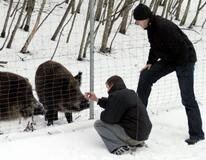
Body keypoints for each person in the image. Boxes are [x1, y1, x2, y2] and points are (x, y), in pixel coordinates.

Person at [133, 3, 204, 145]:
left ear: (145, 18)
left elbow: (182, 48)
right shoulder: (150, 27)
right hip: (171, 59)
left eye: (138, 20)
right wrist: (150, 62)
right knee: (146, 76)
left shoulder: (163, 27)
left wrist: (182, 70)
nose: (137, 23)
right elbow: (154, 46)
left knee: (187, 98)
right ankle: (138, 119)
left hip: (185, 60)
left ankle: (197, 134)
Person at [85, 75, 152, 155]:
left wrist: (102, 114)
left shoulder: (116, 96)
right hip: (143, 135)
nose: (107, 90)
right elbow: (114, 105)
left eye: (107, 87)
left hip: (134, 137)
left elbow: (109, 118)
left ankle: (119, 147)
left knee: (99, 124)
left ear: (112, 85)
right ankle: (138, 143)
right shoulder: (130, 93)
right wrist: (97, 100)